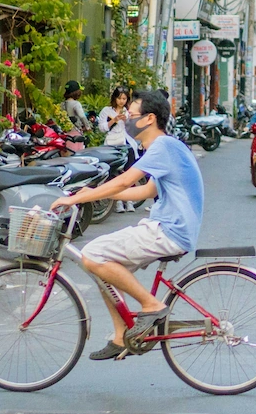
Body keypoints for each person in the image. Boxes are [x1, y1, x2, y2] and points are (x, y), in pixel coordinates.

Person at [51, 88, 204, 362]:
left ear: (149, 119)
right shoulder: (169, 146)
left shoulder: (163, 146)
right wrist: (96, 194)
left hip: (168, 230)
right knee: (104, 268)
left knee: (93, 254)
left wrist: (80, 196)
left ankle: (151, 305)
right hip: (173, 229)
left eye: (131, 115)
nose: (127, 120)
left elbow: (124, 181)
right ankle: (121, 334)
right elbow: (145, 191)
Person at [98, 87, 136, 213]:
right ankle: (118, 201)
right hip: (111, 144)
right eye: (119, 98)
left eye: (124, 98)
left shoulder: (129, 111)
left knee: (128, 172)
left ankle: (129, 200)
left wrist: (127, 121)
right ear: (114, 98)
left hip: (126, 143)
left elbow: (134, 128)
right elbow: (102, 128)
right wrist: (113, 121)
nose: (121, 101)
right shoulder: (106, 111)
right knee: (114, 173)